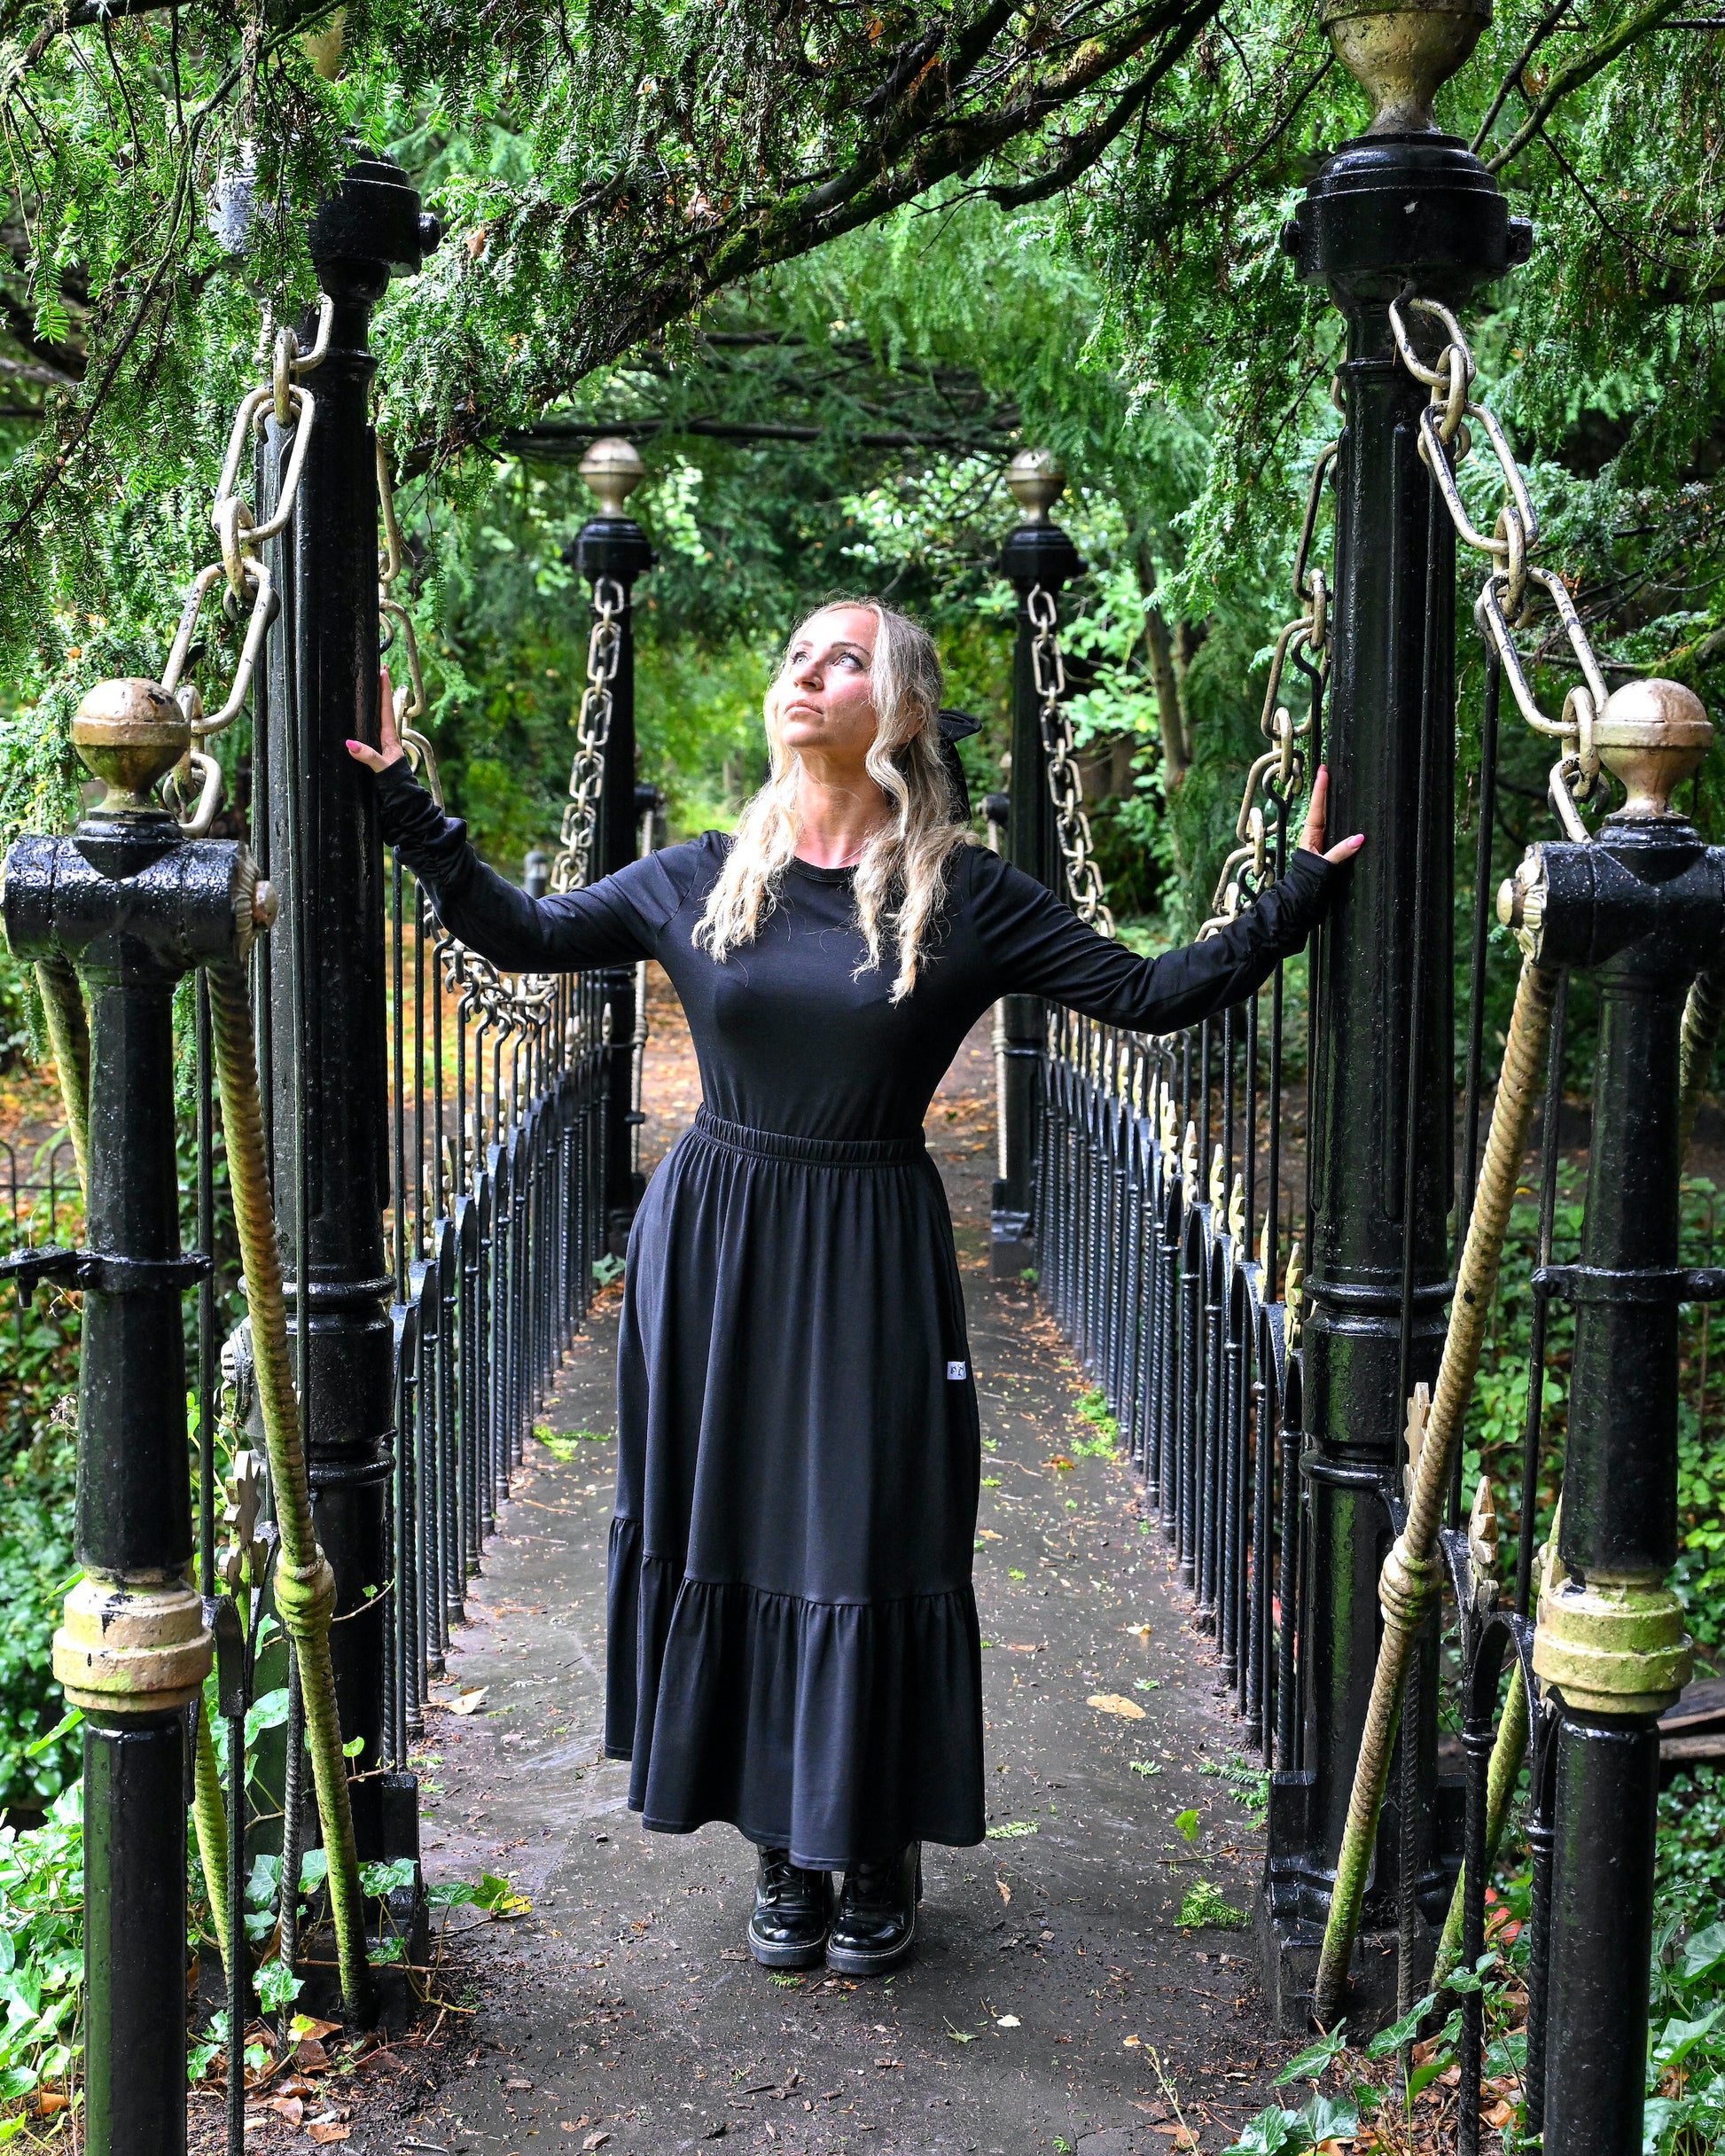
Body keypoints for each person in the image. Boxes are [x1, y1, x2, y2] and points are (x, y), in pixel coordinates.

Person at [349, 598, 1362, 1978]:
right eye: (796, 657)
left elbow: (1148, 993)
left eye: (844, 660)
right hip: (713, 1242)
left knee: (872, 1533)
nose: (806, 676)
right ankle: (781, 1840)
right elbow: (519, 934)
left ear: (902, 714)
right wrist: (408, 804)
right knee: (742, 1528)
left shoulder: (970, 894)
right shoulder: (693, 877)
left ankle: (872, 1840)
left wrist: (1295, 894)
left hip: (870, 1245)